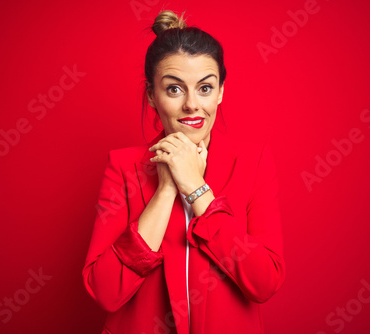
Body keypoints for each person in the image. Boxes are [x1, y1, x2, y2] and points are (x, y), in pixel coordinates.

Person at [82, 10, 285, 334]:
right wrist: (165, 189)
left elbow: (263, 282)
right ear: (152, 96)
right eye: (174, 89)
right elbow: (106, 292)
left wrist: (195, 186)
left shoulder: (253, 162)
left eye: (205, 88)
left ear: (220, 92)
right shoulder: (122, 167)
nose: (192, 105)